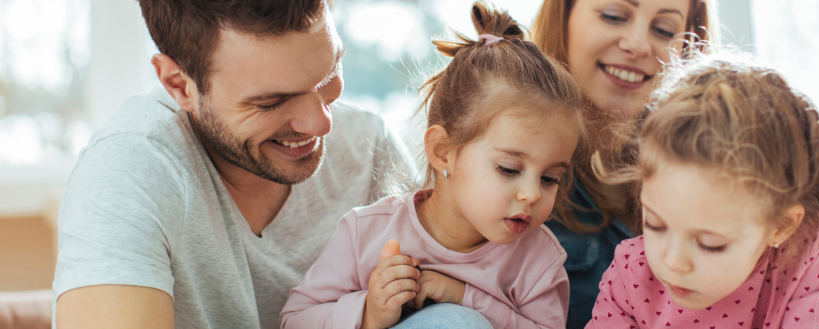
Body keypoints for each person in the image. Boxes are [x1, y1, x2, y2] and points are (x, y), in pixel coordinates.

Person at [51, 1, 415, 328]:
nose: (322, 124)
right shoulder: (127, 175)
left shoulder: (367, 143)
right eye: (271, 102)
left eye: (328, 75)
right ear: (179, 86)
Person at [280, 2, 594, 328]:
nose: (531, 194)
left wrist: (465, 297)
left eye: (550, 178)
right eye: (509, 169)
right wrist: (369, 313)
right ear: (443, 151)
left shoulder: (539, 260)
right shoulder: (367, 233)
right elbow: (295, 320)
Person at [585, 56, 819, 328]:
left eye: (710, 244)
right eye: (655, 225)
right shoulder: (631, 273)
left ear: (780, 227)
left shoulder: (806, 253)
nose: (673, 261)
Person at [529, 0, 716, 327]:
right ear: (564, 14)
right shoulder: (501, 161)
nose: (638, 45)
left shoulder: (719, 165)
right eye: (614, 16)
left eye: (663, 30)